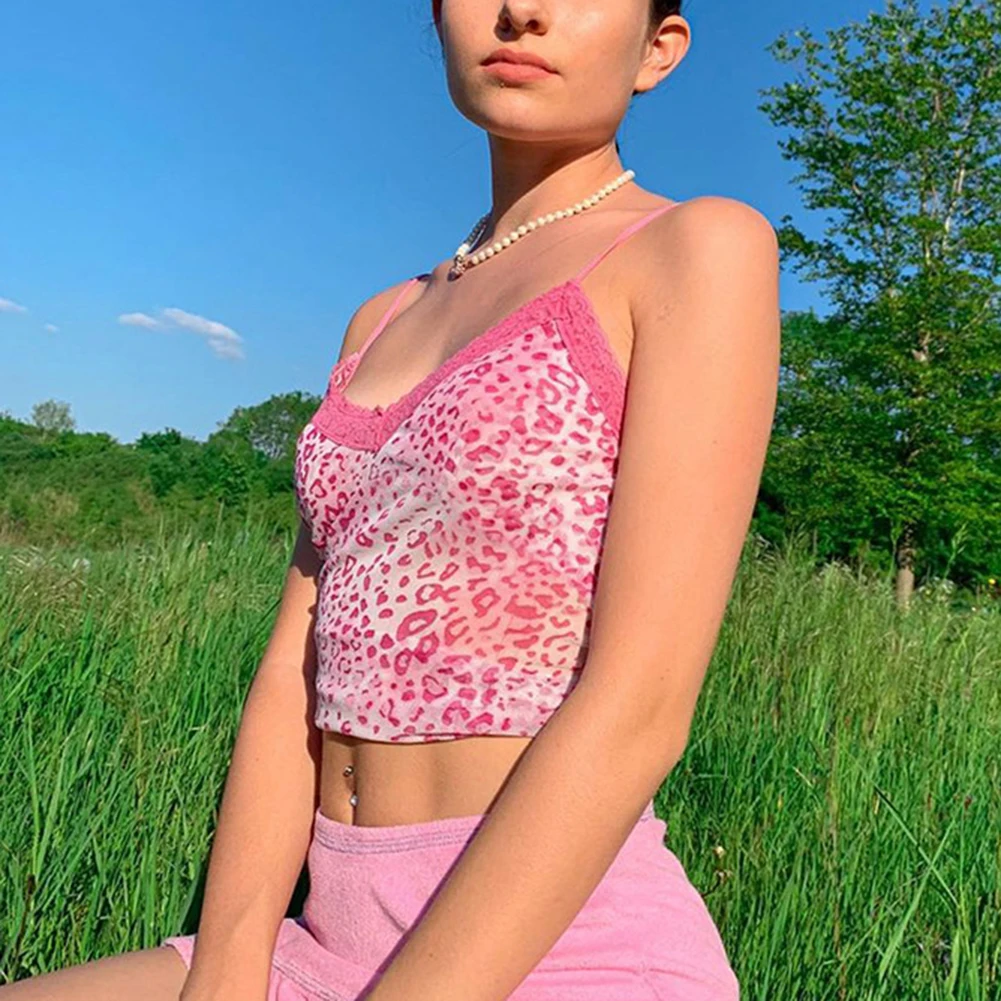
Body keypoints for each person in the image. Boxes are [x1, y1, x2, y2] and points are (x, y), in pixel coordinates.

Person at [1, 1, 780, 999]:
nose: (521, 11)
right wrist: (228, 967)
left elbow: (640, 702)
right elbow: (293, 667)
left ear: (657, 50)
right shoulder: (382, 317)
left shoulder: (693, 247)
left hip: (555, 944)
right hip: (318, 937)